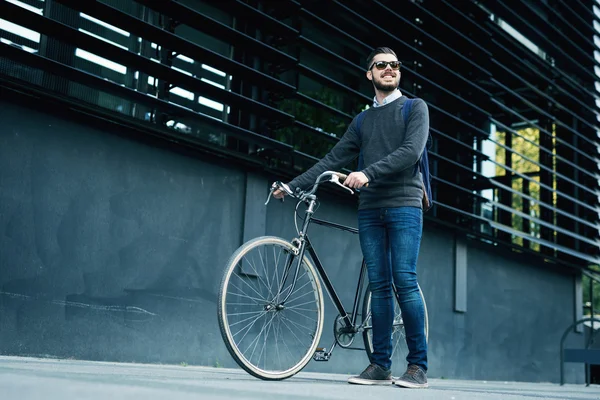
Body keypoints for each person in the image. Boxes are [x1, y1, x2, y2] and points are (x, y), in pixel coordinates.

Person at [273, 47, 429, 389]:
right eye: (381, 65)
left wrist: (367, 173)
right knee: (379, 286)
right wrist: (293, 185)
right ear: (370, 74)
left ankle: (418, 367)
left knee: (403, 279)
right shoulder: (362, 121)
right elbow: (333, 157)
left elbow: (411, 152)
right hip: (370, 210)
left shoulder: (414, 108)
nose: (389, 69)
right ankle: (380, 365)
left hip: (404, 205)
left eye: (394, 65)